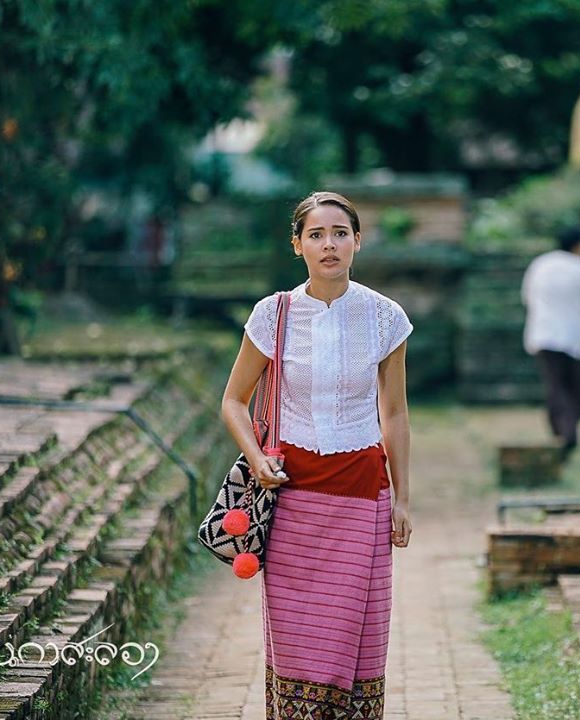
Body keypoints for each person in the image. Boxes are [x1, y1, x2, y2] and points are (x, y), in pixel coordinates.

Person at [220, 191, 413, 719]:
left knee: (358, 631)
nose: (329, 245)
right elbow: (234, 401)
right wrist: (257, 459)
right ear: (297, 245)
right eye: (316, 235)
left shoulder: (384, 317)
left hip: (361, 492)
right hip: (292, 496)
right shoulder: (273, 315)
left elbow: (394, 414)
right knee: (299, 635)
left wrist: (403, 498)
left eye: (340, 233)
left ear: (357, 241)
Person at [521, 226, 580, 458]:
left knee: (557, 386)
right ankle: (567, 432)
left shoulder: (540, 265)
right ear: (579, 245)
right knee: (571, 388)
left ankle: (563, 428)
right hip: (574, 338)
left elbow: (527, 297)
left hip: (544, 334)